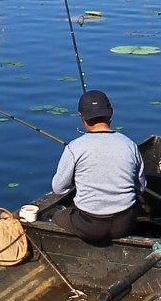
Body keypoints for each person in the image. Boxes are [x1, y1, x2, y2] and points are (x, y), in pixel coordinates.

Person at [50, 89, 145, 244]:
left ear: (82, 118)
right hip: (124, 224)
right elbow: (140, 186)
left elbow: (59, 188)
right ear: (110, 114)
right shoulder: (130, 145)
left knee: (56, 216)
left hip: (90, 227)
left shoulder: (75, 148)